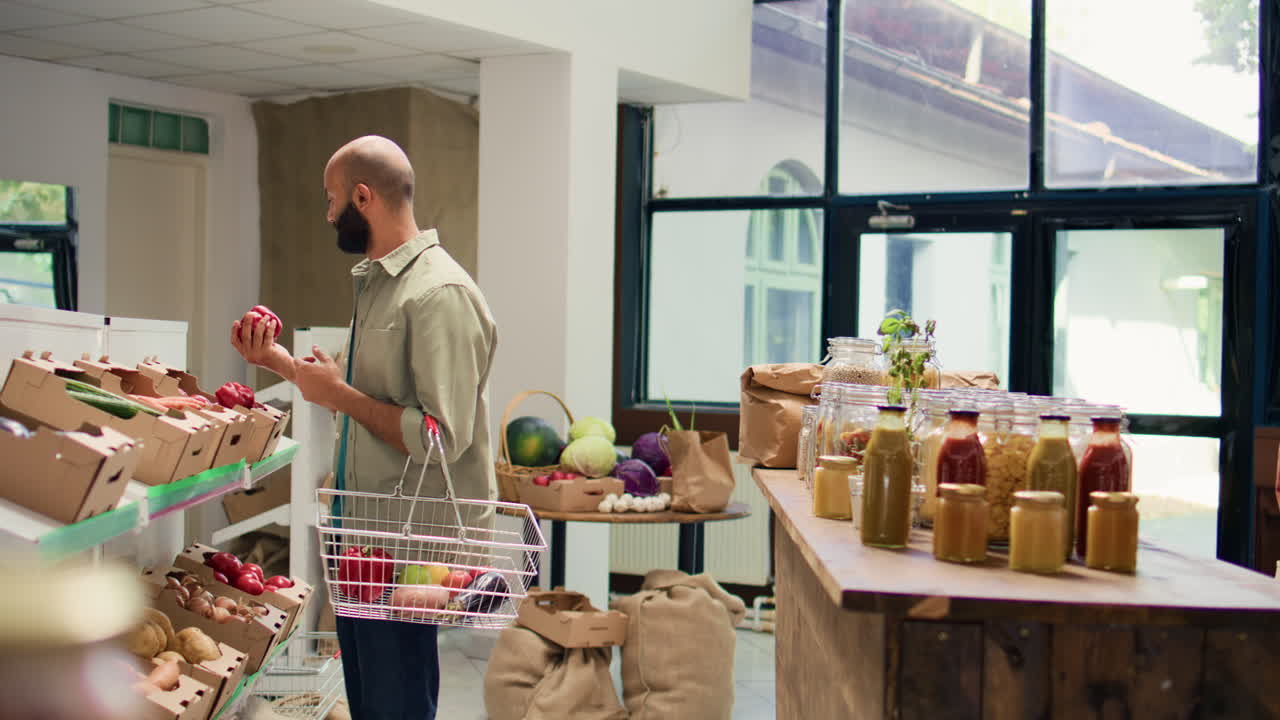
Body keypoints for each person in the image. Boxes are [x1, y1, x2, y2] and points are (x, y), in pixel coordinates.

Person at [230, 135, 498, 719]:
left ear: (361, 196)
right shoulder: (382, 284)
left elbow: (440, 438)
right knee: (374, 704)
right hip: (367, 538)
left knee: (395, 706)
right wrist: (275, 360)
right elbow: (355, 398)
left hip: (411, 550)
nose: (329, 215)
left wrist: (341, 395)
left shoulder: (439, 294)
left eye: (331, 200)